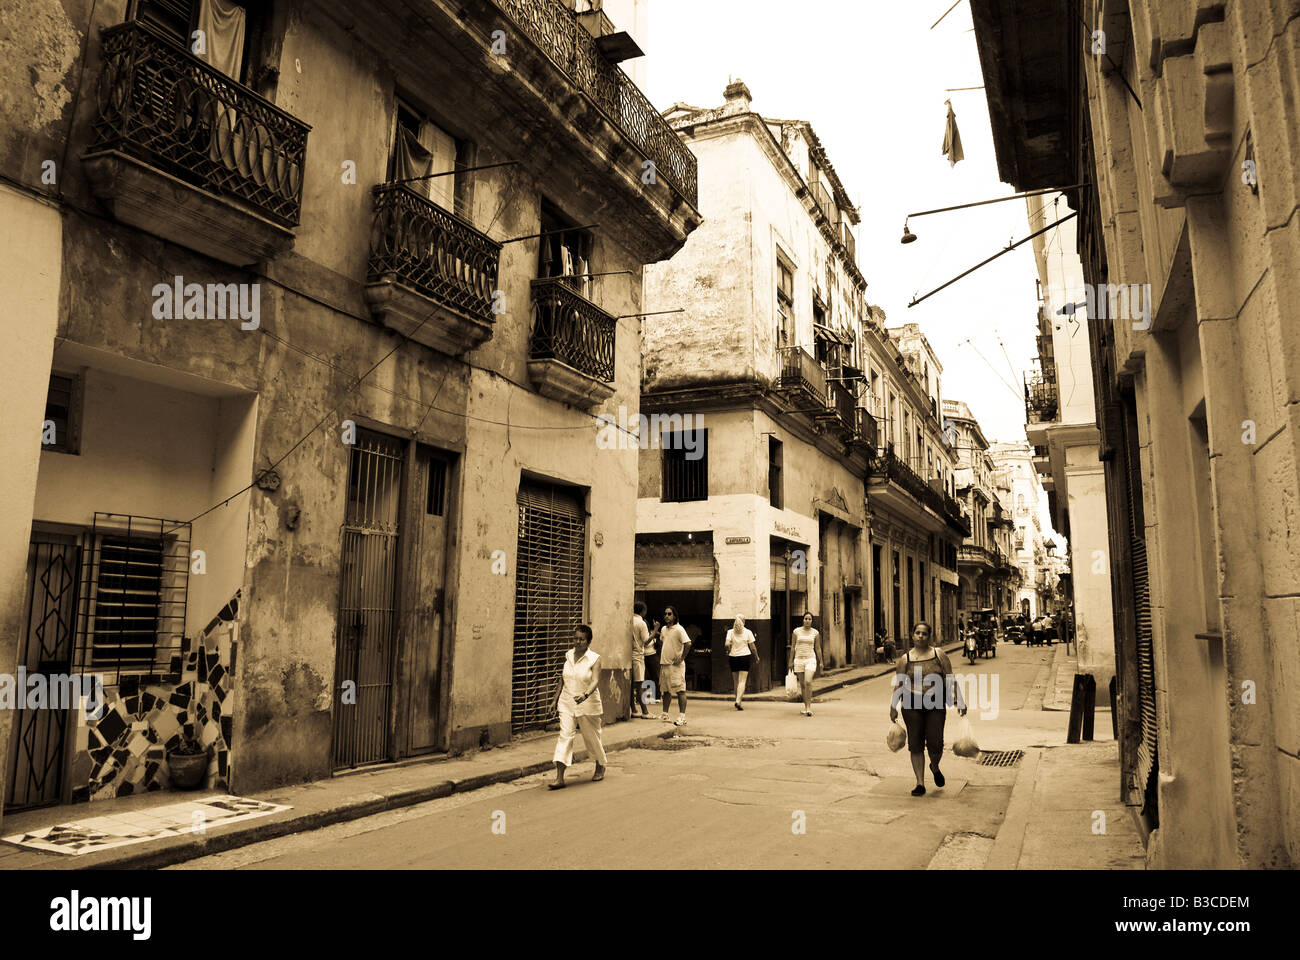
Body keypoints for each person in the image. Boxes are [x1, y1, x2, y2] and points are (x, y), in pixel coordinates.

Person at [890, 622, 966, 797]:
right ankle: (920, 783)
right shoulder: (905, 659)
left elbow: (950, 678)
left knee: (935, 742)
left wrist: (959, 700)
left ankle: (935, 766)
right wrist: (893, 706)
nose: (920, 636)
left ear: (929, 636)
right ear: (912, 635)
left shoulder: (939, 655)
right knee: (915, 744)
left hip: (935, 704)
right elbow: (899, 684)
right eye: (917, 633)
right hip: (911, 705)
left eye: (924, 633)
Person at [549, 624, 607, 790]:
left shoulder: (594, 658)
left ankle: (600, 764)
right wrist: (555, 699)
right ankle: (559, 777)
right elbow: (563, 678)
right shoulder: (568, 655)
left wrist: (585, 695)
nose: (577, 642)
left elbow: (595, 680)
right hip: (567, 701)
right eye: (575, 638)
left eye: (581, 639)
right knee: (565, 735)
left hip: (587, 702)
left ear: (588, 641)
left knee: (591, 737)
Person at [658, 606, 691, 726]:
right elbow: (663, 643)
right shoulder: (663, 629)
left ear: (675, 616)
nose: (667, 616)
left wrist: (681, 658)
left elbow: (688, 644)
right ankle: (665, 714)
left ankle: (682, 716)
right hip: (665, 664)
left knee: (680, 690)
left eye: (669, 614)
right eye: (665, 614)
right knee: (666, 691)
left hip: (676, 666)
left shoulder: (679, 629)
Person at [788, 612, 823, 717]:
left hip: (810, 659)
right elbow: (793, 647)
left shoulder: (815, 633)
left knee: (808, 681)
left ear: (812, 621)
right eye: (806, 619)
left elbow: (818, 648)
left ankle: (809, 707)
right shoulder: (796, 632)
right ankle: (805, 706)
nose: (807, 621)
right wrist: (790, 661)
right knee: (802, 684)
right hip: (798, 660)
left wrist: (821, 661)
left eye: (810, 619)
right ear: (803, 620)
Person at [724, 615, 759, 710]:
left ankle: (737, 699)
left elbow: (727, 644)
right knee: (742, 681)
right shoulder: (748, 632)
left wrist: (728, 650)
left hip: (733, 657)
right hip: (744, 657)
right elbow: (752, 647)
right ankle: (738, 701)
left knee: (736, 681)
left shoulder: (730, 632)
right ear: (744, 622)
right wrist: (756, 657)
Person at [629, 602, 651, 718]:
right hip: (638, 656)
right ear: (643, 611)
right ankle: (645, 712)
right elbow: (646, 641)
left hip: (629, 656)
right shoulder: (641, 623)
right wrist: (655, 630)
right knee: (639, 684)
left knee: (631, 685)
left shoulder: (629, 620)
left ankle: (634, 709)